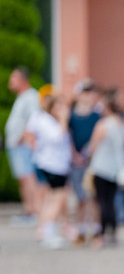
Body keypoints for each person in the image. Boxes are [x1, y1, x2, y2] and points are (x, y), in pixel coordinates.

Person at [25, 93, 73, 249]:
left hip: (57, 164)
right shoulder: (46, 121)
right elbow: (57, 137)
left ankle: (47, 231)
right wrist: (64, 119)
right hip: (53, 165)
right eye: (57, 107)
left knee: (51, 200)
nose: (61, 110)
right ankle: (49, 233)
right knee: (56, 200)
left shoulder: (49, 120)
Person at [86, 90, 124, 248]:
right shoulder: (121, 124)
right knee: (111, 201)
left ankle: (102, 233)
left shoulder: (103, 125)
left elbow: (93, 146)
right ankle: (113, 233)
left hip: (101, 167)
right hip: (116, 168)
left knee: (103, 202)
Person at [4, 67, 41, 226]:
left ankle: (33, 212)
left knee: (28, 178)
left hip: (23, 145)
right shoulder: (22, 97)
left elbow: (33, 119)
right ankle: (29, 210)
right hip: (16, 145)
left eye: (13, 78)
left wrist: (21, 137)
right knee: (23, 179)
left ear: (22, 80)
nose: (10, 82)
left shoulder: (30, 97)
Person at [68, 79, 101, 244]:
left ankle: (95, 229)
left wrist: (88, 153)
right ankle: (80, 229)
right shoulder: (72, 115)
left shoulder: (96, 115)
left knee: (93, 197)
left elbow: (97, 138)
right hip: (76, 161)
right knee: (80, 197)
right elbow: (68, 136)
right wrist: (74, 154)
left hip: (92, 161)